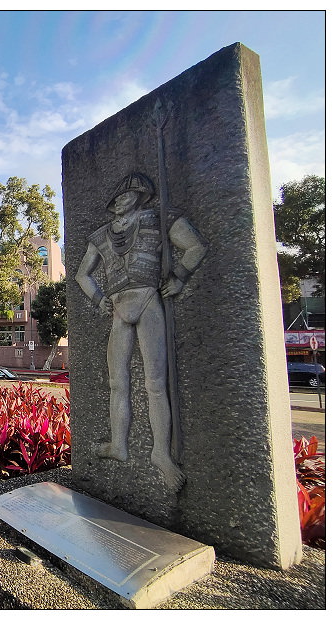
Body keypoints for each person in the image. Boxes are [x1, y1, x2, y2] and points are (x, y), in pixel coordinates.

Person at [75, 172, 207, 491]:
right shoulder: (101, 235)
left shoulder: (159, 219)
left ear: (140, 196)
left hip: (149, 300)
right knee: (116, 382)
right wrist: (99, 299)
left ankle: (161, 453)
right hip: (118, 306)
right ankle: (118, 445)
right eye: (118, 196)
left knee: (156, 383)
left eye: (128, 194)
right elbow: (82, 274)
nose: (122, 199)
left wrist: (179, 276)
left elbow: (195, 246)